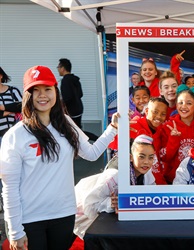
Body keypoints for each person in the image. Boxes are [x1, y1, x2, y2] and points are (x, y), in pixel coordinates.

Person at [0, 65, 120, 250]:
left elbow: (91, 153)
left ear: (55, 91)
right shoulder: (16, 135)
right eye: (35, 90)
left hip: (63, 216)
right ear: (26, 96)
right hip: (29, 220)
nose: (42, 95)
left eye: (47, 89)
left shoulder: (66, 123)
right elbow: (9, 187)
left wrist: (113, 129)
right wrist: (15, 231)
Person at [74, 134, 155, 240]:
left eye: (151, 157)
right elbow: (89, 205)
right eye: (141, 156)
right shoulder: (114, 175)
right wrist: (110, 203)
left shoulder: (146, 172)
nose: (146, 162)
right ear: (130, 157)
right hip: (84, 218)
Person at [159, 85, 194, 184]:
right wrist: (173, 139)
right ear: (176, 106)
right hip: (173, 180)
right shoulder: (168, 126)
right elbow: (165, 157)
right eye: (180, 103)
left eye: (189, 103)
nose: (184, 106)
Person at [57, 58, 98, 141]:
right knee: (76, 131)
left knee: (77, 132)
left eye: (58, 67)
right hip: (78, 109)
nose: (58, 69)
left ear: (63, 68)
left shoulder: (66, 81)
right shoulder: (75, 79)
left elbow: (67, 98)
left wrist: (60, 104)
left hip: (71, 111)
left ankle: (99, 139)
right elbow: (80, 94)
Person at [0, 67, 22, 145]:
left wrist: (2, 107)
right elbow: (16, 107)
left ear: (1, 76)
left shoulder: (13, 90)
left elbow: (22, 106)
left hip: (15, 134)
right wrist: (12, 109)